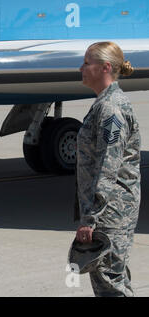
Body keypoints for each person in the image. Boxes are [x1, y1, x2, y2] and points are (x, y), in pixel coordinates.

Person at [75, 41, 140, 296]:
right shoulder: (105, 103)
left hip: (110, 211)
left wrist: (91, 218)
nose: (81, 68)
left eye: (87, 63)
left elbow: (108, 167)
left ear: (105, 67)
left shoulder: (110, 108)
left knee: (109, 283)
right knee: (114, 277)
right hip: (111, 209)